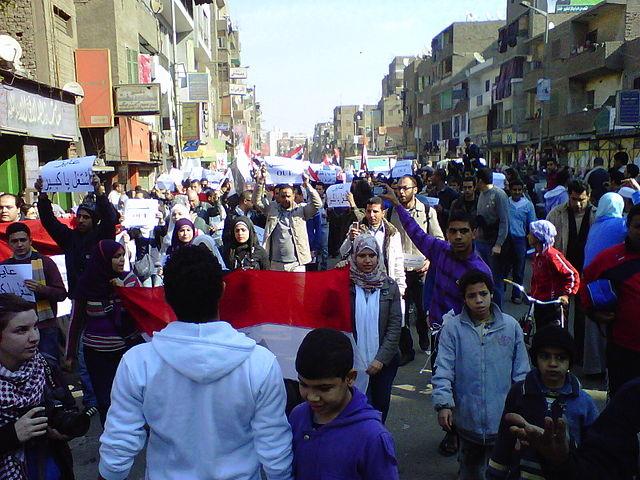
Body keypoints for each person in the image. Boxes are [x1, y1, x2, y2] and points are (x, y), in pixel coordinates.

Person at [98, 245, 293, 480]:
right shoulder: (261, 364)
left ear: (165, 296)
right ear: (222, 290)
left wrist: (108, 474)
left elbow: (119, 445)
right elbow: (274, 447)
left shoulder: (138, 363)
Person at [432, 270, 530, 479]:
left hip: (503, 424)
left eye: (483, 294)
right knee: (470, 472)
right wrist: (443, 404)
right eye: (472, 296)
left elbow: (522, 373)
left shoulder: (510, 327)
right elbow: (443, 368)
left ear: (491, 294)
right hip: (467, 423)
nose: (479, 300)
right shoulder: (453, 329)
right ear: (464, 299)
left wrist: (524, 412)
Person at [487, 326, 599, 479]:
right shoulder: (520, 393)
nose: (553, 363)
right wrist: (495, 474)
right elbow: (504, 440)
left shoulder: (583, 402)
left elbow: (593, 449)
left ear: (570, 361)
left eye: (561, 357)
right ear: (535, 359)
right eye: (545, 356)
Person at [289, 328, 399, 480]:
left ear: (350, 378)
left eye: (324, 388)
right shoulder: (298, 416)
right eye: (304, 385)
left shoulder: (373, 437)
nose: (312, 397)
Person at [0, 294, 89, 480]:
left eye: (35, 326)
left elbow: (68, 406)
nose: (34, 337)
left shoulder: (45, 365)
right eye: (21, 330)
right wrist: (12, 435)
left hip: (49, 464)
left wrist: (60, 430)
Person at [66, 240, 141, 424]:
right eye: (116, 256)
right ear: (103, 259)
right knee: (105, 400)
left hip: (126, 352)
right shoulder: (86, 285)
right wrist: (70, 354)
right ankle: (111, 438)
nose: (121, 260)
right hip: (97, 355)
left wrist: (123, 292)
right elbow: (76, 320)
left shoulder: (130, 280)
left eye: (123, 255)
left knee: (131, 397)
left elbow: (142, 311)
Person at [505, 377, 640, 480]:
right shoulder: (632, 397)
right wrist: (562, 462)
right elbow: (597, 468)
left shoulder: (584, 401)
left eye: (560, 357)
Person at [581, 203, 640, 396]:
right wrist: (593, 312)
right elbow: (585, 286)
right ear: (628, 226)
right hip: (623, 351)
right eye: (638, 226)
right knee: (622, 409)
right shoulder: (610, 258)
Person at [388, 175, 444, 363]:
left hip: (421, 271)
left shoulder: (428, 212)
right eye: (398, 189)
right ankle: (407, 350)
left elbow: (438, 240)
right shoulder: (391, 213)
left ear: (415, 189)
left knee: (422, 311)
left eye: (405, 188)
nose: (401, 192)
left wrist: (429, 260)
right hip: (400, 271)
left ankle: (424, 339)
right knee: (401, 312)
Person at [34, 175, 118, 297]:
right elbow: (49, 221)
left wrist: (99, 192)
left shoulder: (103, 237)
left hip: (102, 297)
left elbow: (109, 218)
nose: (81, 220)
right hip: (78, 297)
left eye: (86, 217)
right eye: (79, 216)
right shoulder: (69, 238)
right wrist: (42, 196)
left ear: (94, 220)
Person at [348, 234, 401, 423]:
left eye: (372, 255)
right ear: (354, 257)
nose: (368, 260)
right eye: (362, 256)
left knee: (380, 405)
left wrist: (380, 359)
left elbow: (395, 327)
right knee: (357, 407)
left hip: (384, 364)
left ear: (379, 256)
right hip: (354, 364)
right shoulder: (346, 285)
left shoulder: (390, 286)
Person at [1, 222, 67, 365]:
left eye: (22, 240)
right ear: (8, 243)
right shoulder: (4, 267)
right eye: (14, 241)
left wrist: (41, 289)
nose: (19, 244)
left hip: (44, 327)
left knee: (49, 365)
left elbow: (61, 294)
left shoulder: (46, 262)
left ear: (30, 241)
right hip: (15, 328)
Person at [547, 179, 594, 363]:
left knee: (583, 317)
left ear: (589, 197)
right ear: (569, 196)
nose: (578, 204)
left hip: (586, 274)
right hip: (562, 274)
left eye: (582, 199)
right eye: (574, 199)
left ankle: (581, 355)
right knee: (561, 316)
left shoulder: (596, 215)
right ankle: (562, 352)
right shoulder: (556, 214)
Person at [582, 192, 627, 377]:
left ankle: (593, 368)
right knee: (612, 324)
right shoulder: (620, 225)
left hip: (590, 279)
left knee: (593, 327)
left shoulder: (595, 226)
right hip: (609, 281)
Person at [255, 170, 322, 272]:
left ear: (294, 196)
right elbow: (257, 201)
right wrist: (260, 182)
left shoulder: (302, 210)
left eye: (288, 196)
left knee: (297, 288)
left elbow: (318, 204)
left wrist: (307, 185)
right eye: (283, 196)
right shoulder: (272, 208)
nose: (286, 199)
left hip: (297, 264)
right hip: (275, 263)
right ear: (278, 197)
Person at [340, 197, 406, 298]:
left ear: (383, 213)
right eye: (369, 211)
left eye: (375, 211)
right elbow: (342, 252)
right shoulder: (357, 229)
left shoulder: (392, 233)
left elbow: (398, 261)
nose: (371, 215)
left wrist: (400, 287)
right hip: (361, 283)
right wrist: (350, 239)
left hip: (385, 283)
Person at [528, 220, 580, 330]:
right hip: (539, 303)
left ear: (538, 236)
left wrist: (566, 295)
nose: (528, 236)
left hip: (551, 305)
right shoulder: (537, 254)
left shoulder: (552, 256)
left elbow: (572, 275)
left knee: (553, 335)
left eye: (531, 233)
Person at [475, 167, 510, 308]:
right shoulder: (482, 194)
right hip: (481, 242)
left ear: (480, 181)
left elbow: (504, 221)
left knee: (496, 280)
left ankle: (498, 312)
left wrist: (499, 244)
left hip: (493, 244)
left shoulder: (499, 195)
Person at [506, 178, 537, 304]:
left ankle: (516, 294)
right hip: (506, 239)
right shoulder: (505, 202)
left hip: (520, 239)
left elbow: (532, 223)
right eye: (514, 190)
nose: (517, 192)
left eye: (519, 190)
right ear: (510, 190)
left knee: (519, 269)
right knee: (504, 267)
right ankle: (499, 292)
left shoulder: (528, 205)